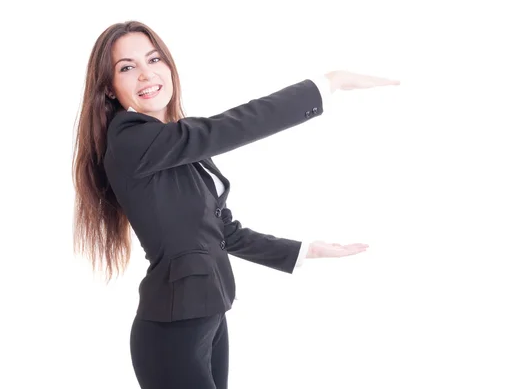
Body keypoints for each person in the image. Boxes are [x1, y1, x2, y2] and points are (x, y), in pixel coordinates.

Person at [72, 20, 399, 389]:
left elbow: (223, 231)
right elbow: (226, 128)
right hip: (171, 331)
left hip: (208, 317)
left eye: (154, 59)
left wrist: (306, 251)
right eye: (127, 67)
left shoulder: (171, 145)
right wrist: (328, 84)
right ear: (110, 89)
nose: (146, 74)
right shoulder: (130, 139)